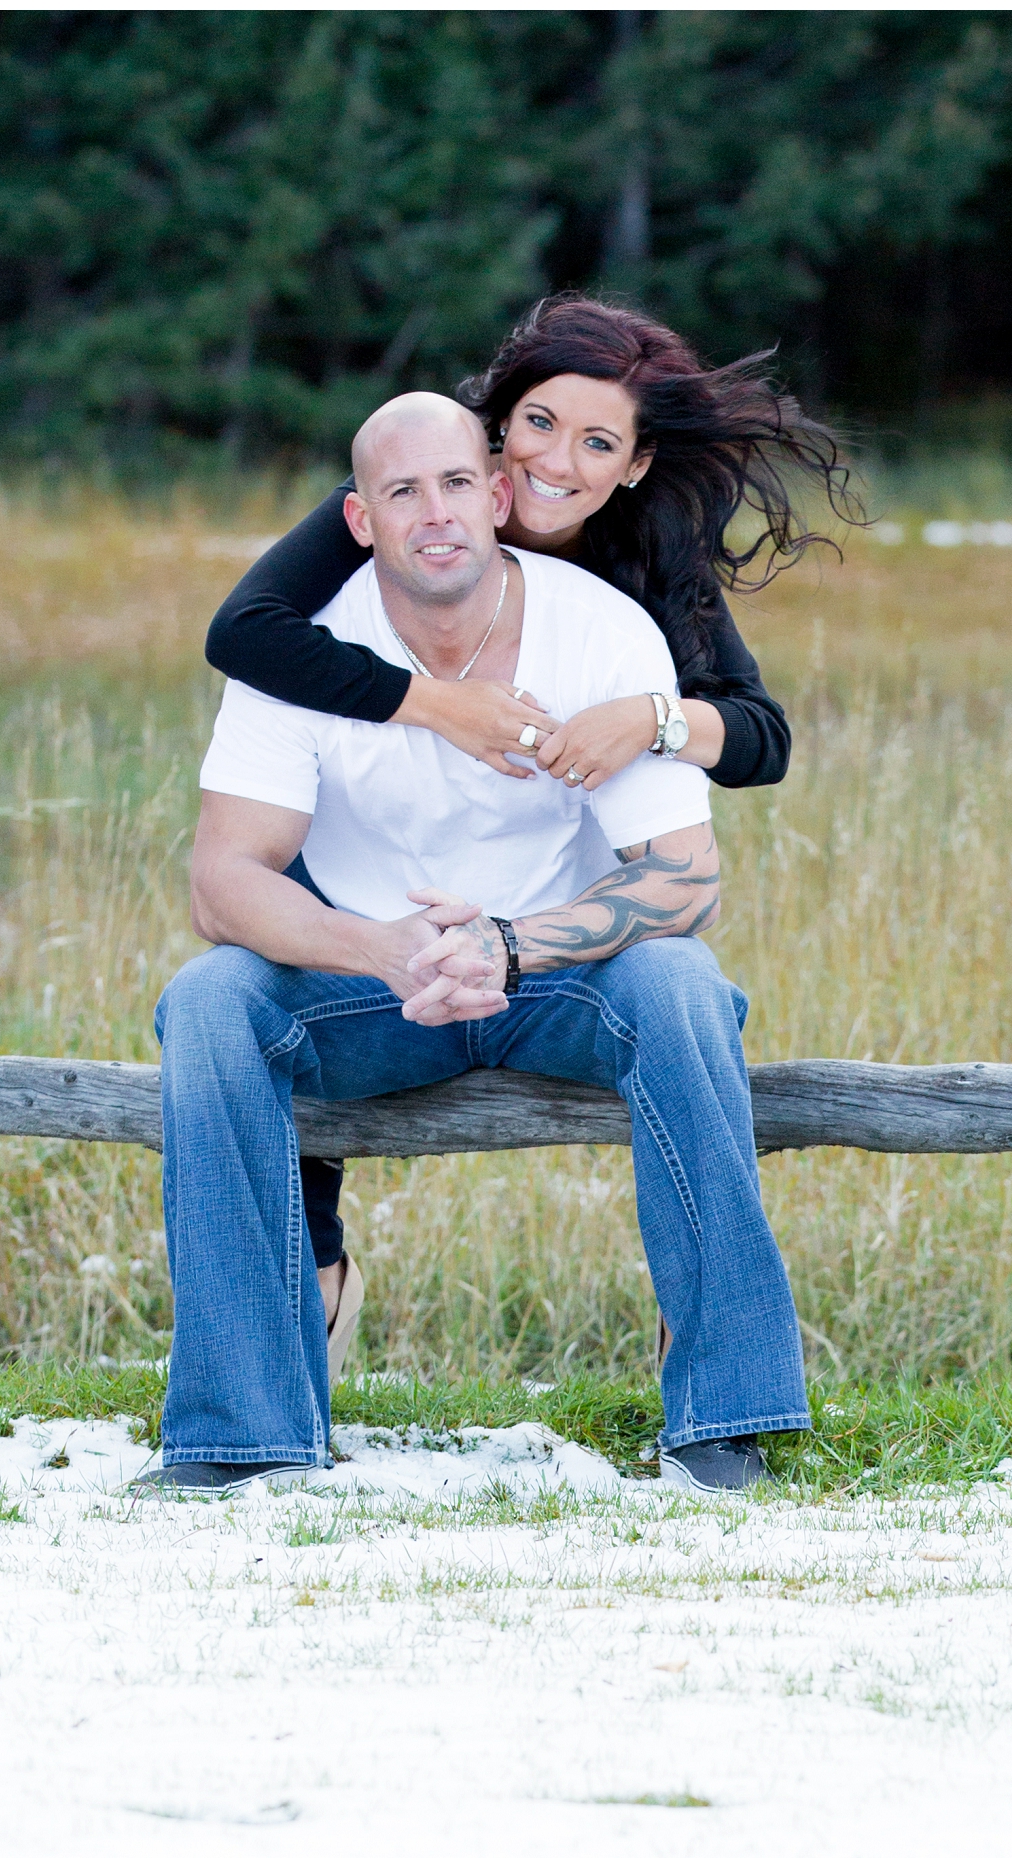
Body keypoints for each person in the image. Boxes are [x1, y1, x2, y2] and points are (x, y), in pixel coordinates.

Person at [138, 388, 810, 1501]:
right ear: (360, 520)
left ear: (497, 495)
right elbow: (223, 881)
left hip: (550, 978)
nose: (435, 512)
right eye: (402, 492)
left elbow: (686, 877)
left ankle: (723, 1420)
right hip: (372, 990)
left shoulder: (597, 628)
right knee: (209, 999)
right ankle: (242, 1435)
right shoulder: (304, 651)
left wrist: (510, 946)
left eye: (456, 483)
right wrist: (384, 948)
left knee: (683, 982)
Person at [204, 293, 858, 1376]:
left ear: (636, 465)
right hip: (383, 879)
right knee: (279, 934)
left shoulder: (642, 566)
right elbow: (246, 633)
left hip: (551, 894)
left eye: (599, 441)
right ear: (495, 433)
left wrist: (648, 719)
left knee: (679, 989)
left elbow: (759, 737)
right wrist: (437, 704)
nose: (560, 462)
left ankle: (709, 1355)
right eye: (540, 424)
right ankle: (307, 1267)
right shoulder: (420, 489)